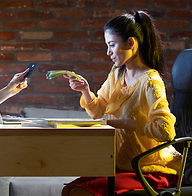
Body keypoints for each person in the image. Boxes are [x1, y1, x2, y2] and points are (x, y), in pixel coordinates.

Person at [62, 11, 182, 196]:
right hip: (121, 164)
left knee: (81, 192)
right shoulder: (117, 74)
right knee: (69, 189)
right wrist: (85, 90)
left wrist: (123, 123)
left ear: (131, 43)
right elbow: (97, 111)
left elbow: (166, 131)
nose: (108, 52)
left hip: (149, 168)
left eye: (112, 45)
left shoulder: (150, 81)